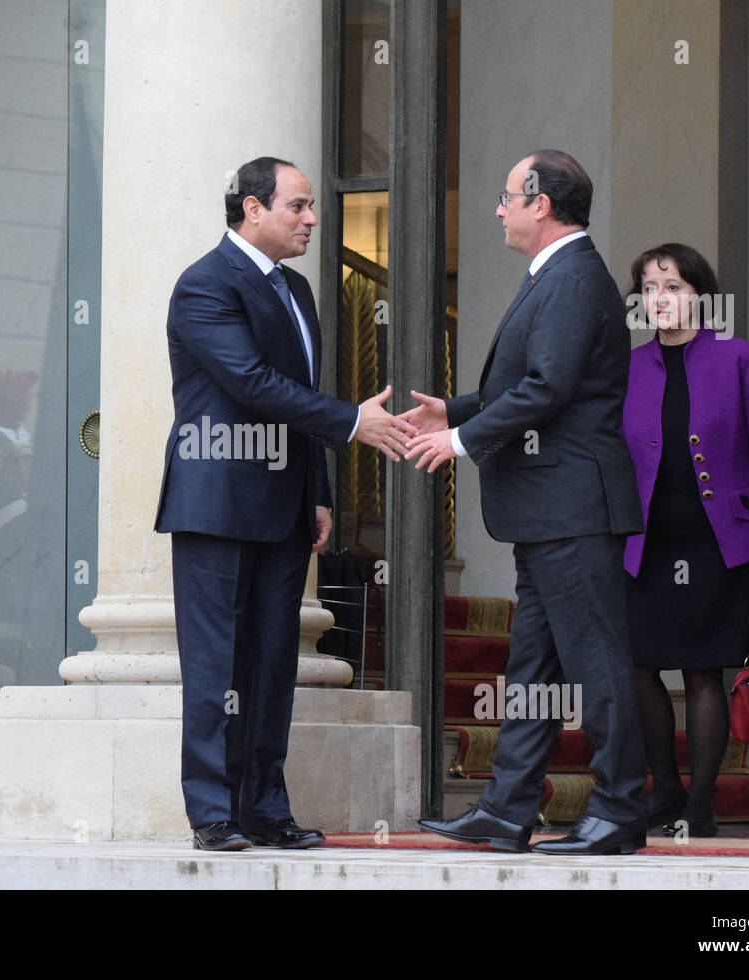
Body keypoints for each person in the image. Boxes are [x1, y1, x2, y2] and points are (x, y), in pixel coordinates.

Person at [154, 156, 415, 851]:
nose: (310, 218)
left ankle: (264, 809)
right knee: (215, 667)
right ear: (251, 209)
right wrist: (353, 423)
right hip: (215, 499)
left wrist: (319, 491)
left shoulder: (297, 290)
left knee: (272, 664)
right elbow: (251, 381)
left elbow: (295, 394)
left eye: (309, 206)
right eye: (297, 206)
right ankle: (212, 813)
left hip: (284, 504)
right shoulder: (205, 285)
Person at [403, 150, 648, 855]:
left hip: (573, 507)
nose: (499, 208)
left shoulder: (573, 277)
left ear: (542, 203)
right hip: (550, 513)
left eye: (508, 196)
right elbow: (532, 383)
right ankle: (508, 808)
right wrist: (451, 408)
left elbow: (549, 389)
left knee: (596, 661)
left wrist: (459, 440)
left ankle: (619, 810)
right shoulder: (558, 274)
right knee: (534, 671)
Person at [621, 243, 749, 838]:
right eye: (649, 288)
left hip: (723, 543)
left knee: (703, 673)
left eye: (672, 286)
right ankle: (664, 789)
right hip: (645, 544)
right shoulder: (627, 368)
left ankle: (700, 802)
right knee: (637, 664)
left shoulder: (741, 358)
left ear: (700, 294)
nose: (660, 299)